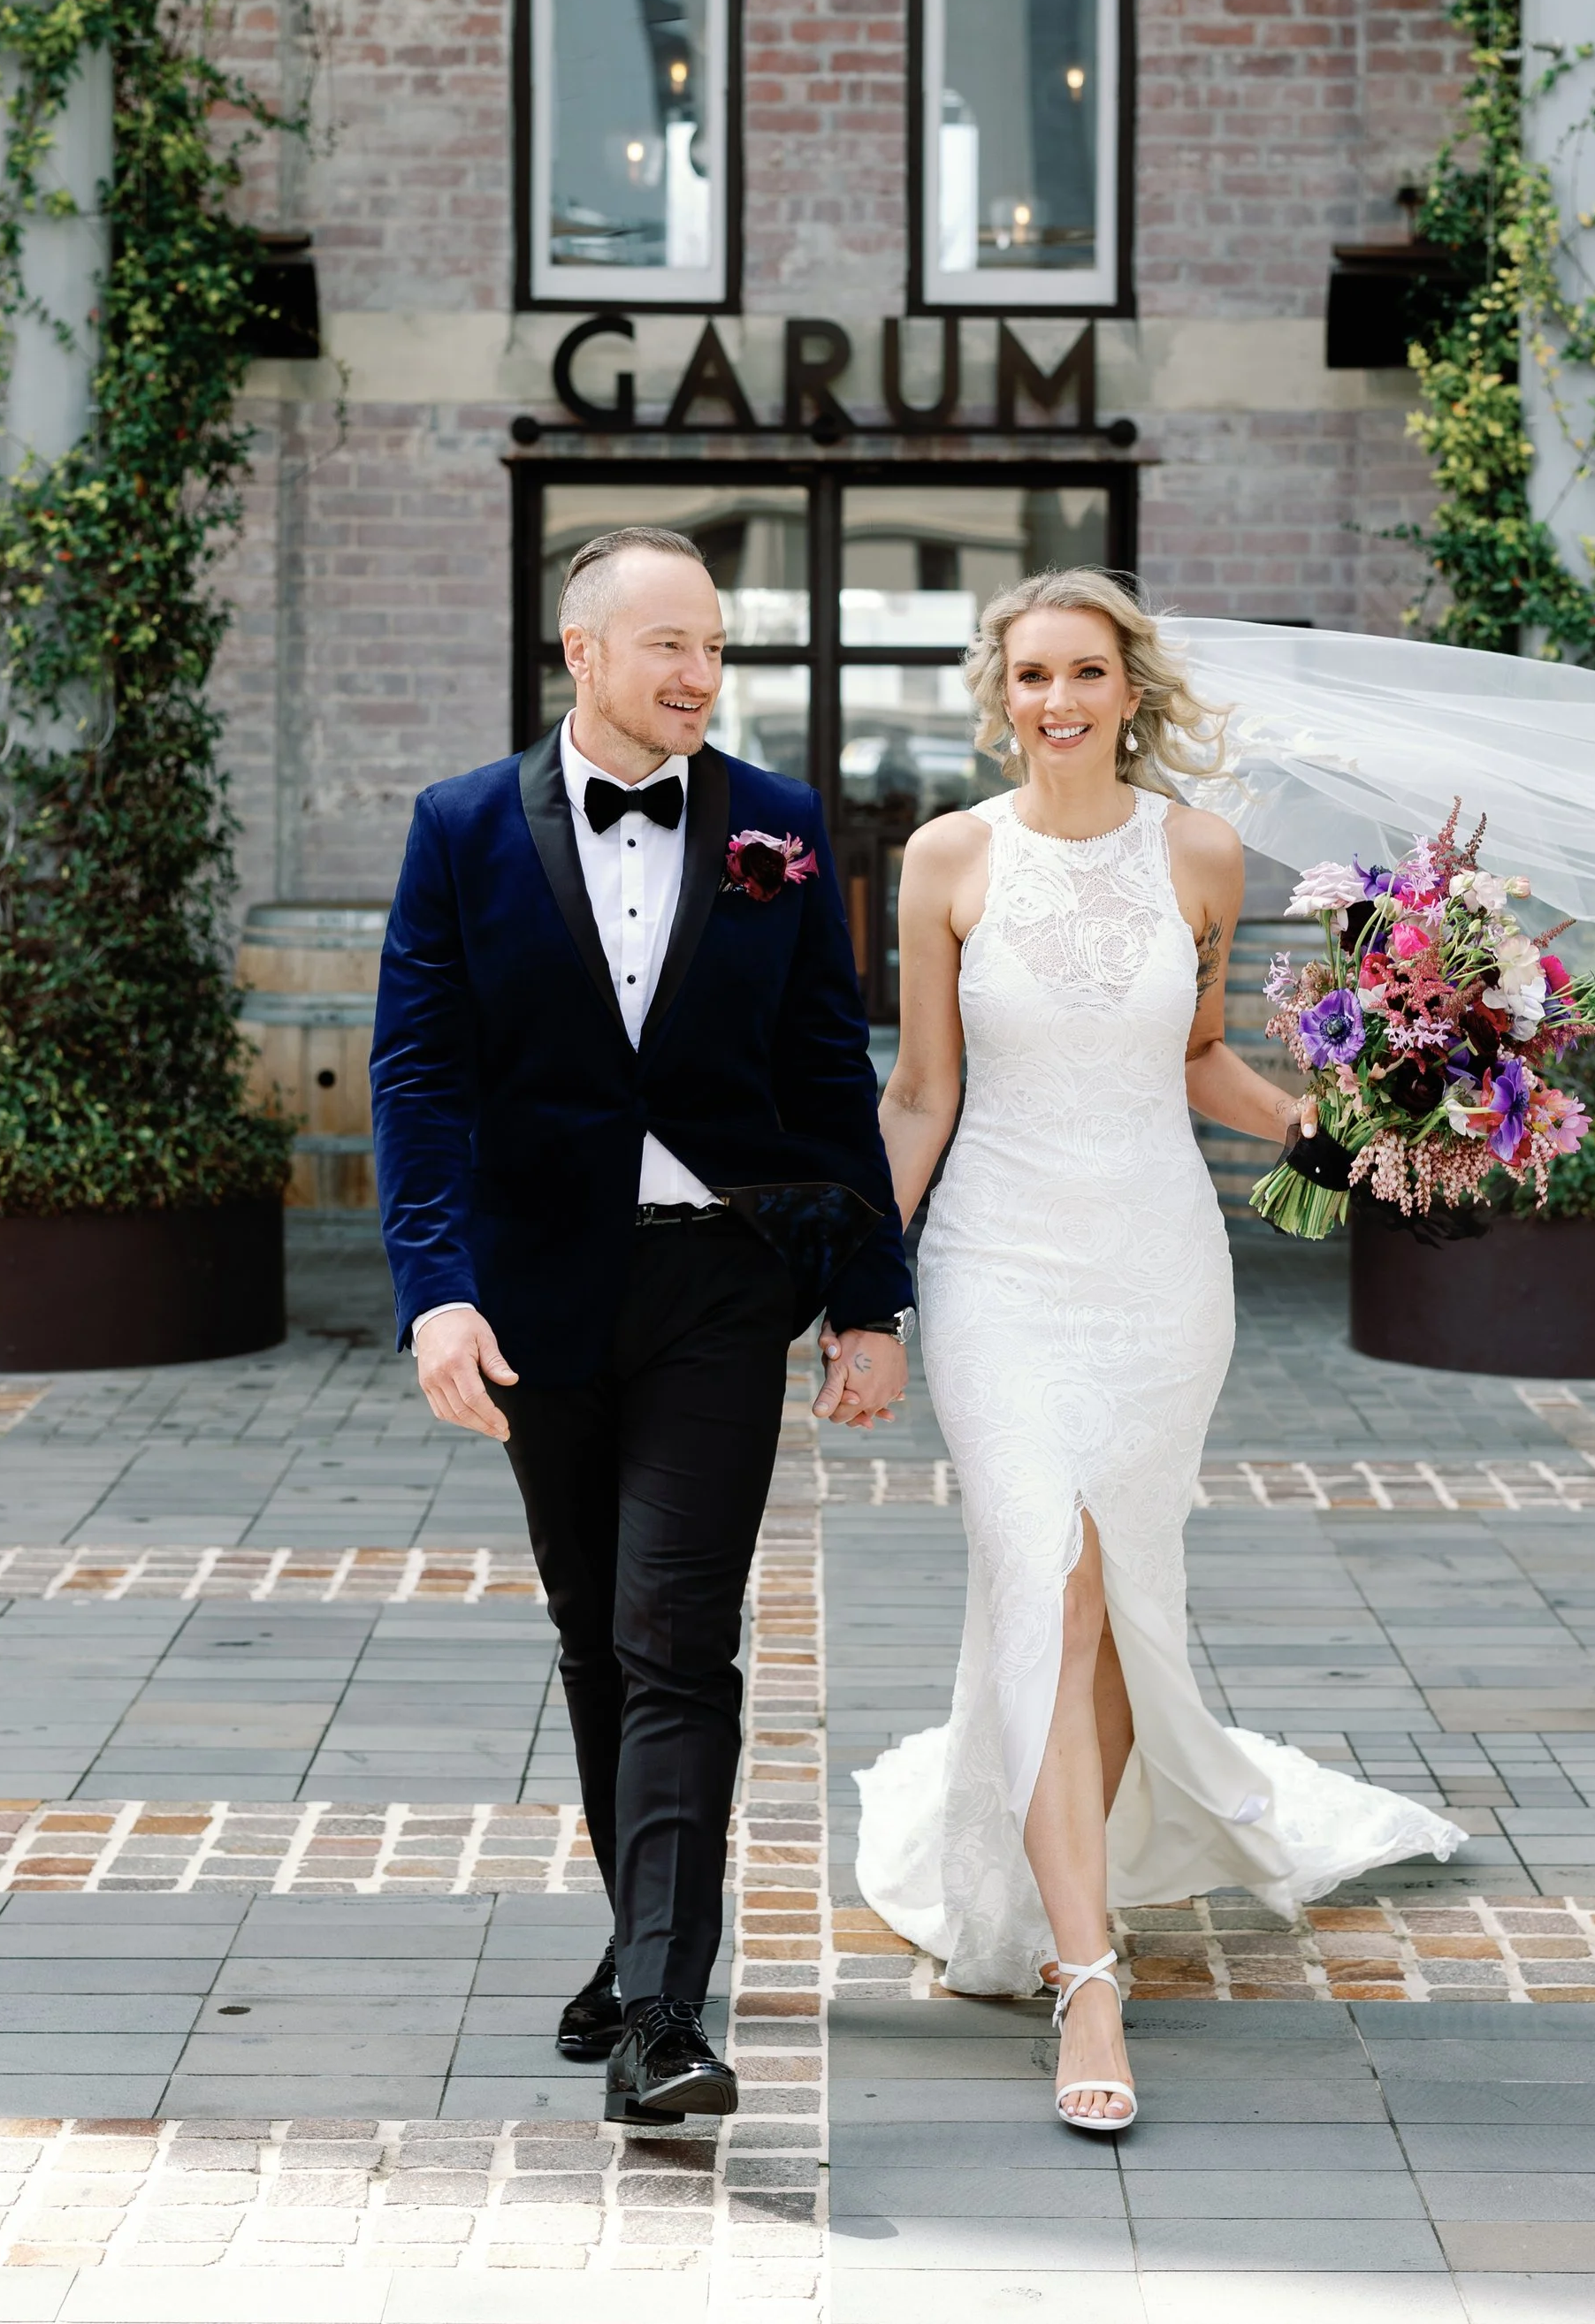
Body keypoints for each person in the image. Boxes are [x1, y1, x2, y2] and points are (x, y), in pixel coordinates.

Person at [855, 570, 1464, 2136]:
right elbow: (922, 1090)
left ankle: (1068, 1886)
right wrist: (860, 1277)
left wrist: (1343, 1126)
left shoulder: (1200, 853)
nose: (1057, 700)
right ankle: (1087, 1971)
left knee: (1113, 1602)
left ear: (1133, 690)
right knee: (1048, 1573)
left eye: (1087, 673)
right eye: (1032, 673)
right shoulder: (944, 858)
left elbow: (1200, 1060)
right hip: (998, 1264)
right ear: (1002, 692)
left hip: (1159, 1274)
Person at [372, 526, 911, 2126]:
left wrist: (869, 1295)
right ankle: (637, 1940)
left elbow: (829, 1072)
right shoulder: (461, 827)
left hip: (721, 1286)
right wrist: (436, 1291)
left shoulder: (781, 829)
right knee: (597, 1633)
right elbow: (416, 1076)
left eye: (716, 647)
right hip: (539, 1297)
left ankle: (665, 2013)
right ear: (581, 651)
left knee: (681, 1635)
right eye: (668, 643)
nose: (699, 674)